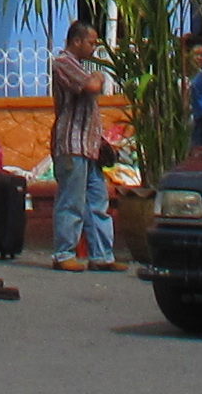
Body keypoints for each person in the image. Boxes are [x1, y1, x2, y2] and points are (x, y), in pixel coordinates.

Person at [48, 21, 117, 273]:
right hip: (72, 144)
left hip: (89, 147)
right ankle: (64, 252)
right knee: (71, 200)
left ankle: (102, 255)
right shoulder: (63, 63)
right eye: (91, 42)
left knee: (97, 201)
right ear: (76, 41)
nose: (94, 47)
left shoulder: (79, 66)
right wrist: (98, 75)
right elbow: (91, 86)